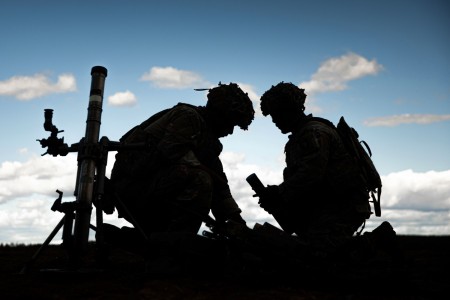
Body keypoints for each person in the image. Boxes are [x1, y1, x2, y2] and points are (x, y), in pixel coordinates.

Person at [107, 82, 254, 239]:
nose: (230, 131)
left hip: (149, 191)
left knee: (206, 179)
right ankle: (174, 243)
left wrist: (236, 221)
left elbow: (220, 186)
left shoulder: (207, 139)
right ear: (217, 113)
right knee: (200, 179)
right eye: (229, 123)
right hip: (132, 190)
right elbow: (170, 156)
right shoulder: (188, 118)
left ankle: (163, 237)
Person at [257, 82, 374, 255]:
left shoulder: (313, 132)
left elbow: (311, 175)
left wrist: (279, 194)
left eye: (277, 114)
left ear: (291, 109)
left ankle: (376, 241)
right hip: (327, 207)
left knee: (315, 257)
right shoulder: (303, 134)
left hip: (341, 208)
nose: (274, 120)